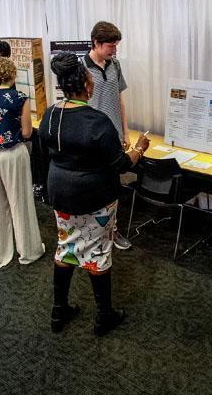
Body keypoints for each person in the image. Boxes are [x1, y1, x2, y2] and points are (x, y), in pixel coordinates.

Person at [39, 53, 150, 335]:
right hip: (94, 195)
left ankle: (58, 311)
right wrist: (139, 148)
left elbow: (45, 152)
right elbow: (122, 164)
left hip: (60, 192)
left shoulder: (50, 114)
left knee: (66, 247)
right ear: (86, 85)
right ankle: (104, 316)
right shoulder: (97, 121)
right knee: (98, 251)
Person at [0, 56, 44, 269]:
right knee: (20, 201)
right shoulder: (19, 97)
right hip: (12, 153)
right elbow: (25, 132)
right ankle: (29, 251)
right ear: (13, 75)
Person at [83, 21, 133, 251]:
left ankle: (113, 230)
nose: (114, 50)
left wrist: (125, 131)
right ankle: (92, 232)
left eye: (116, 46)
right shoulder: (80, 67)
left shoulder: (115, 65)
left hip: (113, 135)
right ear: (96, 43)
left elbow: (119, 98)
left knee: (114, 186)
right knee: (93, 185)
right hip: (91, 136)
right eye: (110, 46)